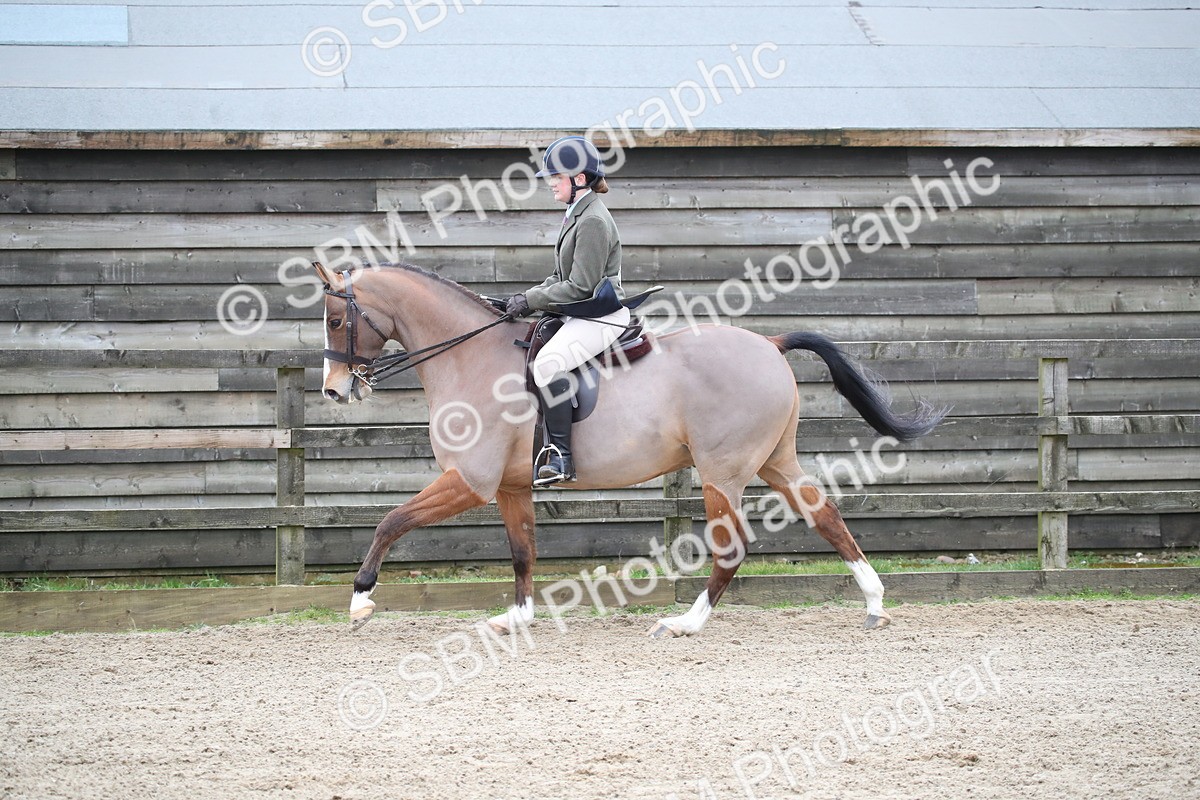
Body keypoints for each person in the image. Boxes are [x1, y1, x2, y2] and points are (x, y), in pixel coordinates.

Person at [506, 136, 629, 487]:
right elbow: (560, 278)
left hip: (599, 314)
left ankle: (561, 458)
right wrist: (523, 297)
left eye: (556, 177)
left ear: (579, 179)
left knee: (548, 363)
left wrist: (532, 300)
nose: (550, 183)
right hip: (582, 311)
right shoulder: (577, 214)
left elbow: (580, 287)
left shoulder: (592, 221)